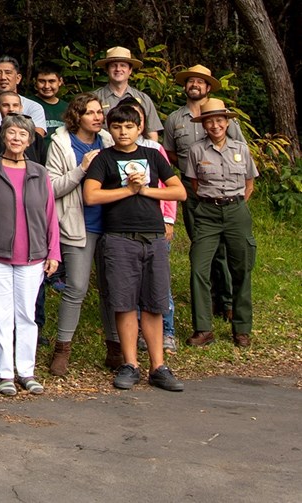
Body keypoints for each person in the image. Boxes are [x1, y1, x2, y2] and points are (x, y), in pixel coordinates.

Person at [82, 105, 187, 392]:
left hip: (153, 236)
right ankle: (131, 364)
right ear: (109, 129)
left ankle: (158, 366)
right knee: (124, 302)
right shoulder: (104, 158)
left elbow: (180, 191)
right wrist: (127, 190)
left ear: (140, 128)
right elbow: (90, 195)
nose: (123, 132)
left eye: (129, 126)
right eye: (117, 127)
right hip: (118, 237)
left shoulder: (153, 155)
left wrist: (145, 190)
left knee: (154, 303)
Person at [0, 114, 60, 396]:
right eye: (12, 133)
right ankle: (5, 373)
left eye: (23, 134)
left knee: (27, 316)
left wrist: (53, 251)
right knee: (0, 316)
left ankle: (26, 371)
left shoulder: (39, 172)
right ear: (2, 137)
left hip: (33, 256)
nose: (17, 138)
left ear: (30, 140)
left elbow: (50, 215)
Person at [164, 64, 244, 323]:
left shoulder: (222, 117)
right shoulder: (175, 119)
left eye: (200, 82)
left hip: (222, 188)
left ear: (208, 87)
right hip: (191, 188)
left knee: (225, 247)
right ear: (185, 86)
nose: (194, 85)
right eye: (190, 81)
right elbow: (171, 154)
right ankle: (206, 299)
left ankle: (228, 300)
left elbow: (239, 152)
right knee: (201, 243)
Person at [44, 94, 115, 376]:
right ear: (77, 116)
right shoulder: (61, 142)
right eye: (90, 113)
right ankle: (63, 349)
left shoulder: (108, 140)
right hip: (77, 224)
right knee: (76, 287)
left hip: (110, 223)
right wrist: (82, 169)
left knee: (112, 289)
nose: (97, 117)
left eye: (99, 112)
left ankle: (116, 347)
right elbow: (51, 188)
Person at [185, 99, 257, 348]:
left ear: (227, 122)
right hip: (207, 212)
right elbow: (195, 185)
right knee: (199, 268)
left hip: (237, 211)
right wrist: (213, 201)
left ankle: (242, 327)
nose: (215, 125)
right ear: (203, 125)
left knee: (241, 267)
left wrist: (235, 203)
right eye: (209, 121)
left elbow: (249, 183)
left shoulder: (241, 148)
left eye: (219, 120)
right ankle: (204, 328)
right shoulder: (196, 150)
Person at [91, 47, 163, 142]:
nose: (118, 69)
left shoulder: (144, 99)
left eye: (123, 65)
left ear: (130, 70)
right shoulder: (94, 99)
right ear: (107, 70)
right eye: (113, 65)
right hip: (103, 152)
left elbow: (152, 135)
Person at [0, 56, 47, 136]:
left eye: (8, 72)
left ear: (18, 78)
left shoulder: (34, 107)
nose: (3, 77)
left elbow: (36, 140)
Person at [0, 92, 48, 166]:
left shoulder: (36, 138)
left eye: (15, 105)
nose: (11, 109)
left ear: (21, 108)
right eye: (5, 105)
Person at [30, 63, 68, 136]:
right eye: (42, 81)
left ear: (60, 81)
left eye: (51, 81)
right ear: (35, 82)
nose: (47, 86)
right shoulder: (27, 104)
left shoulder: (68, 108)